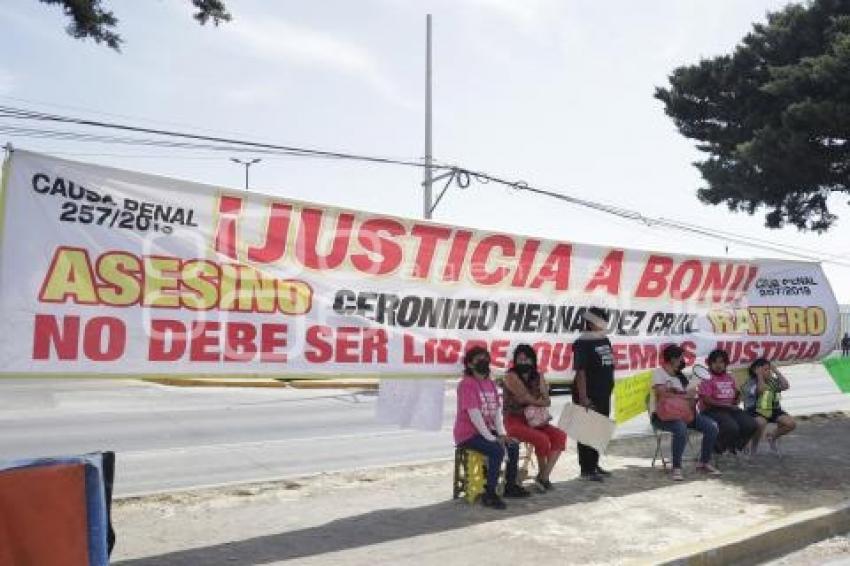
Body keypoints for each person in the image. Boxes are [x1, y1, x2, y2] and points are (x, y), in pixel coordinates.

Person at [453, 346, 530, 509]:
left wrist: (502, 434)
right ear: (470, 365)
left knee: (513, 445)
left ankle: (510, 487)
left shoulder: (490, 383)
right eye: (478, 360)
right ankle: (490, 494)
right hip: (468, 434)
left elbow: (496, 412)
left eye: (485, 359)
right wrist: (492, 438)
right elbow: (475, 415)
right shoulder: (466, 385)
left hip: (486, 431)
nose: (484, 362)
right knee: (496, 450)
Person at [650, 345, 721, 480]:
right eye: (681, 358)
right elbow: (661, 392)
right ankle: (677, 467)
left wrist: (693, 395)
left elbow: (688, 400)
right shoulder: (659, 373)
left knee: (712, 427)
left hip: (685, 414)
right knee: (680, 428)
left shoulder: (681, 376)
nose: (683, 360)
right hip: (663, 416)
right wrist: (683, 393)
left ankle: (703, 462)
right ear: (672, 359)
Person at [502, 344, 567, 490]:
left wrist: (542, 378)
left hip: (536, 420)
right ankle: (543, 478)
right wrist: (542, 401)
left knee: (560, 436)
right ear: (515, 360)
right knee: (541, 439)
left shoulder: (536, 376)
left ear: (533, 360)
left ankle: (543, 476)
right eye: (520, 359)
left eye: (527, 359)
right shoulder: (510, 376)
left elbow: (547, 399)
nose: (523, 362)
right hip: (514, 420)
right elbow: (525, 398)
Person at [572, 307, 615, 482]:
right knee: (586, 431)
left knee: (599, 430)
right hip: (588, 394)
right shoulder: (583, 342)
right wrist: (583, 398)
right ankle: (586, 469)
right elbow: (580, 371)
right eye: (600, 320)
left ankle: (594, 464)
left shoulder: (605, 340)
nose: (604, 323)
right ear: (590, 323)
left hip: (604, 392)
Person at [698, 349, 758, 455]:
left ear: (726, 364)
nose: (718, 365)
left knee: (751, 424)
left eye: (721, 362)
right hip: (711, 410)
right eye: (715, 362)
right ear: (710, 364)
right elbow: (706, 400)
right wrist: (726, 405)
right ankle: (716, 448)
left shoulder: (729, 377)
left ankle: (733, 446)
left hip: (729, 409)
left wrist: (737, 398)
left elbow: (735, 394)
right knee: (731, 427)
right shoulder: (706, 378)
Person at [743, 358, 796, 454]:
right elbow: (761, 390)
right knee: (761, 423)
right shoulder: (750, 383)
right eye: (765, 370)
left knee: (791, 424)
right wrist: (759, 376)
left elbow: (785, 386)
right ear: (757, 371)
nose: (769, 372)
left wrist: (776, 371)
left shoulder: (772, 380)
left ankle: (772, 436)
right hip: (755, 410)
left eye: (769, 369)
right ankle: (754, 446)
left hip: (773, 409)